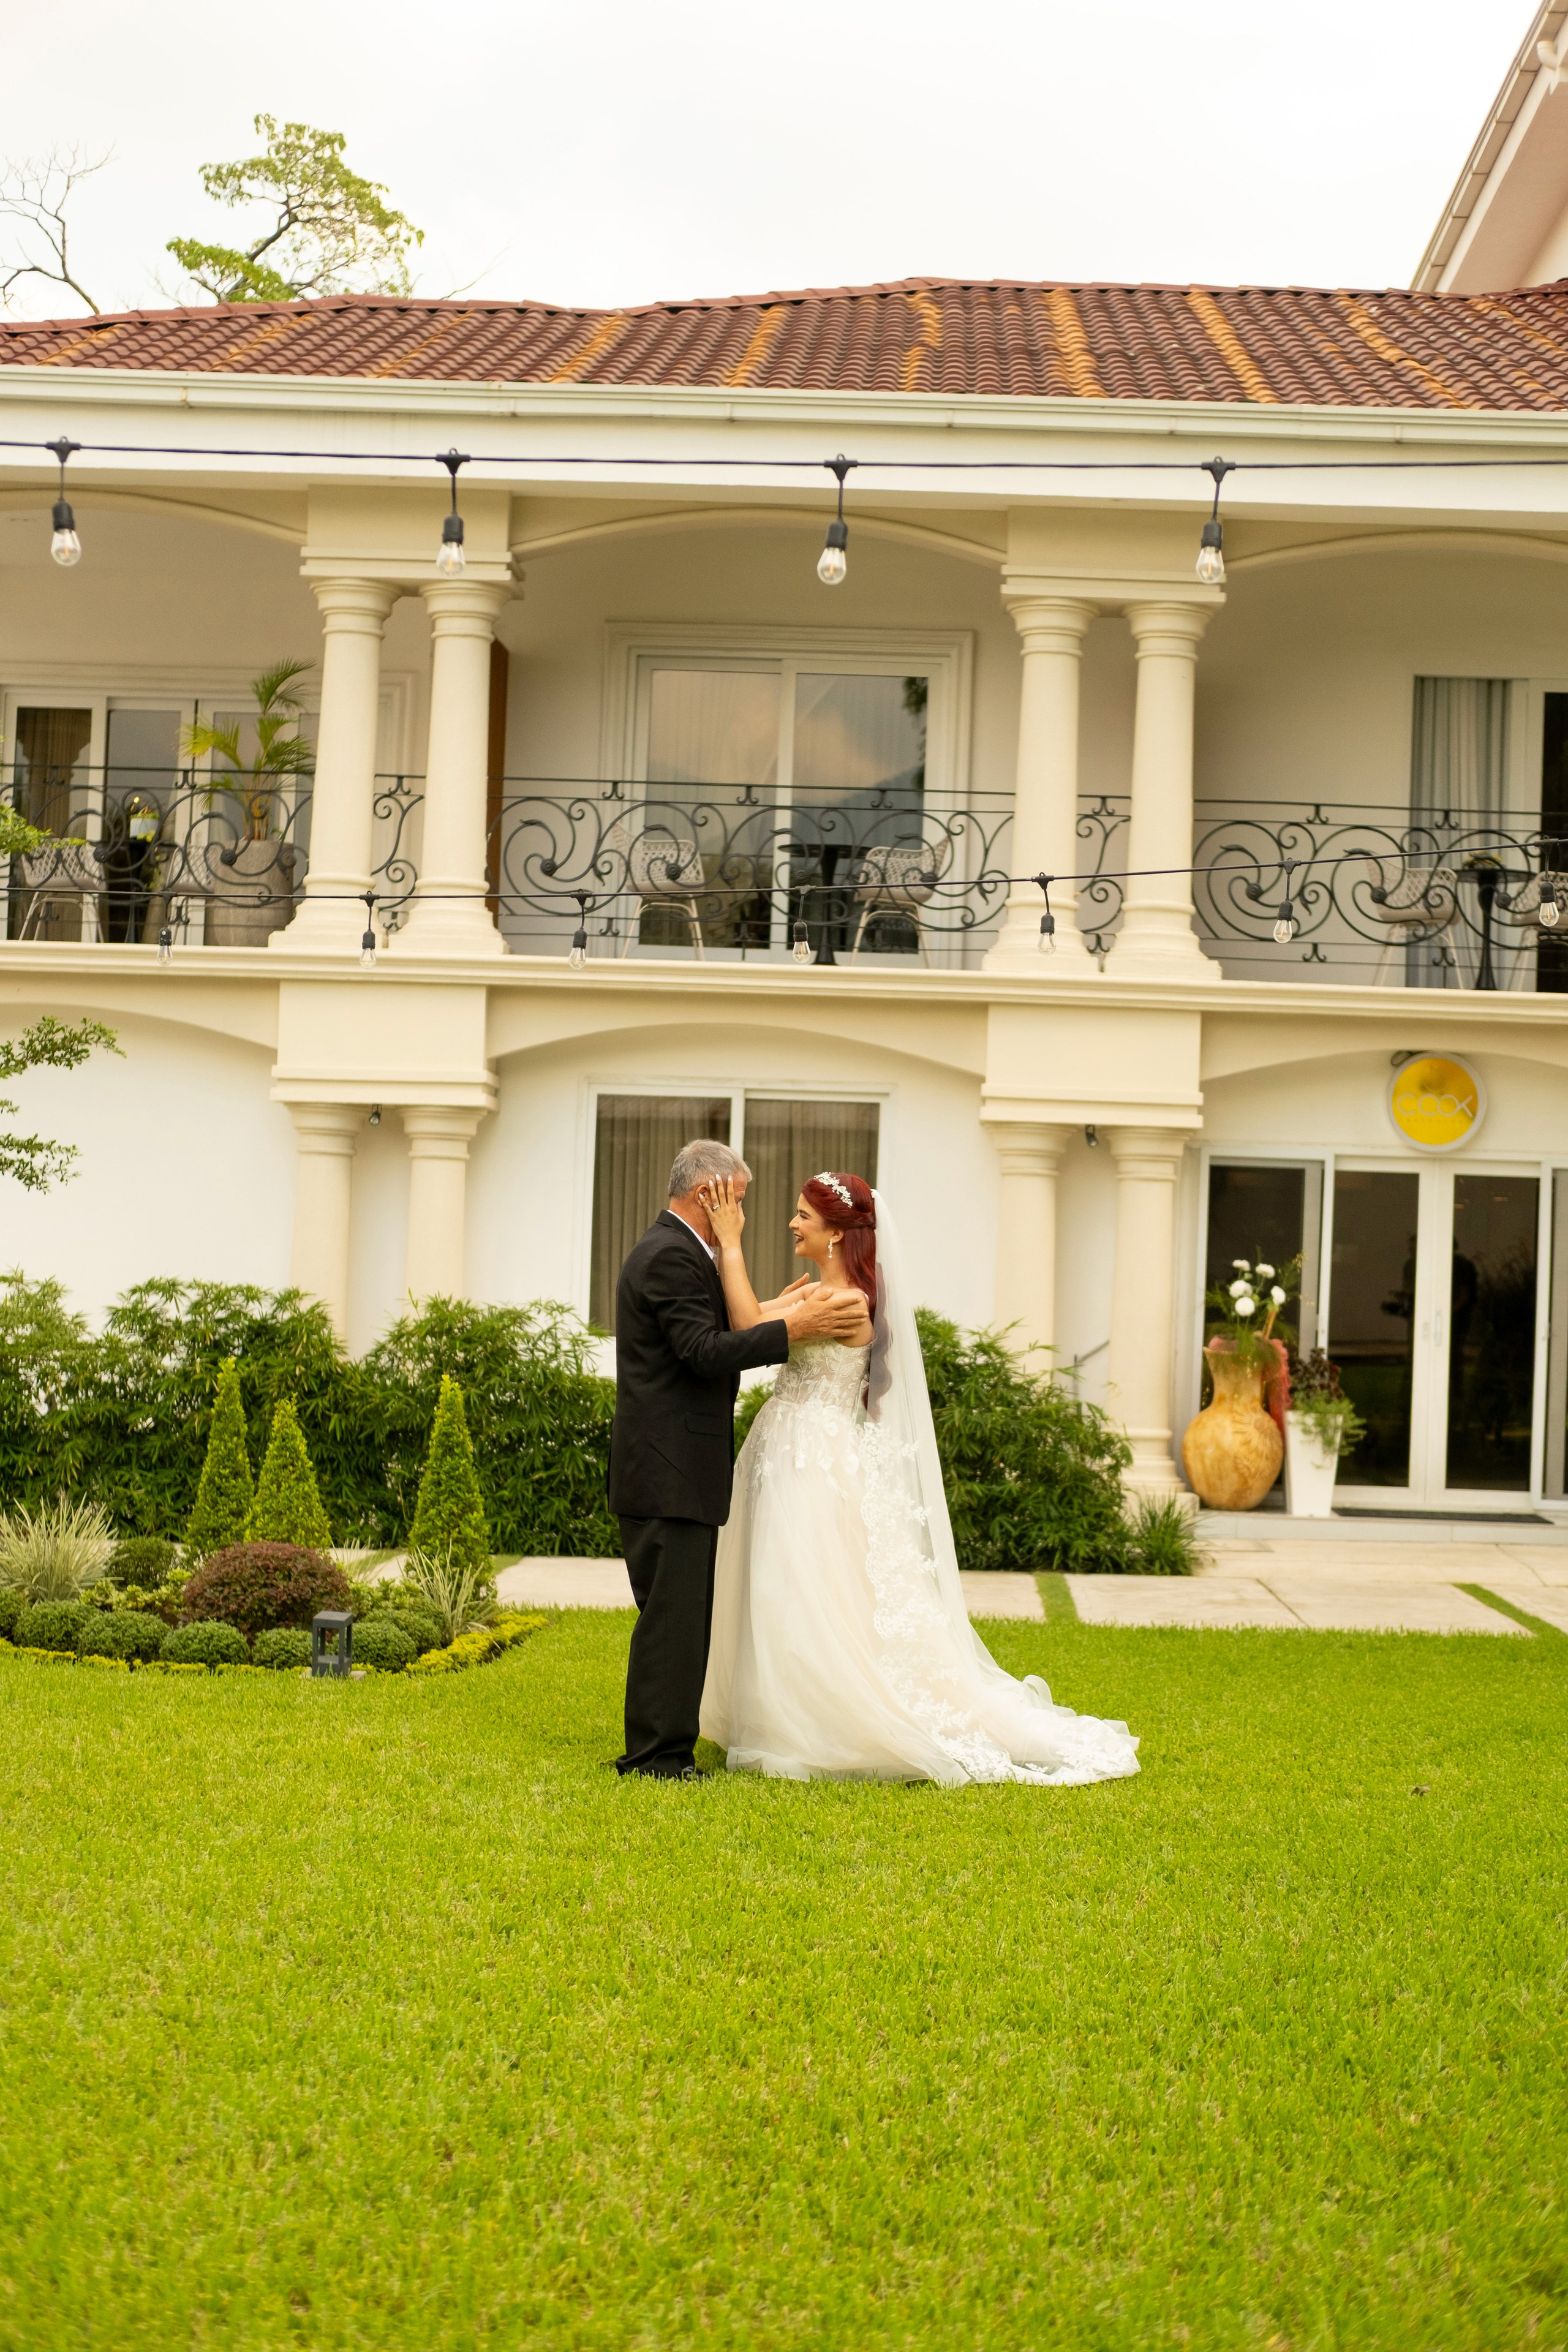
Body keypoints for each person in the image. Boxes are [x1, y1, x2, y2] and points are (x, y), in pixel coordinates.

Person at [697, 1170, 1140, 1787]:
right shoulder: (818, 1293)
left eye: (803, 1216)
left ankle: (818, 1724)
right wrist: (761, 1290)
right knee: (776, 1584)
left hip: (815, 1458)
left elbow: (748, 1326)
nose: (793, 1224)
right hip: (784, 1447)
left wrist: (730, 1242)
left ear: (835, 1233)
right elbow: (737, 1318)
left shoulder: (846, 1304)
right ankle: (775, 1714)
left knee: (805, 1585)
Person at [608, 1138, 867, 1779]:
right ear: (710, 1194)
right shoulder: (670, 1256)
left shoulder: (678, 1252)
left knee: (680, 1616)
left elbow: (717, 1324)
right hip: (668, 1468)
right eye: (739, 1200)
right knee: (671, 1619)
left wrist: (777, 1310)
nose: (744, 1215)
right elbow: (703, 1350)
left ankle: (667, 1746)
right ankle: (657, 1758)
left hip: (675, 1468)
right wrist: (791, 1330)